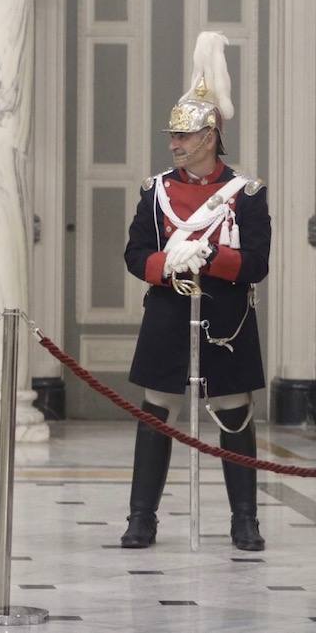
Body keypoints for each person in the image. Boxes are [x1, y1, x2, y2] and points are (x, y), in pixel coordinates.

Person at [120, 31, 269, 552]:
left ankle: (244, 519)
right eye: (173, 137)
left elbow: (257, 264)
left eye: (183, 137)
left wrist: (212, 257)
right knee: (156, 410)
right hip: (167, 311)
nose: (174, 145)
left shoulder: (246, 195)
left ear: (209, 137)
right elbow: (136, 254)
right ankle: (142, 517)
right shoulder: (155, 190)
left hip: (226, 318)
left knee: (234, 411)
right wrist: (167, 264)